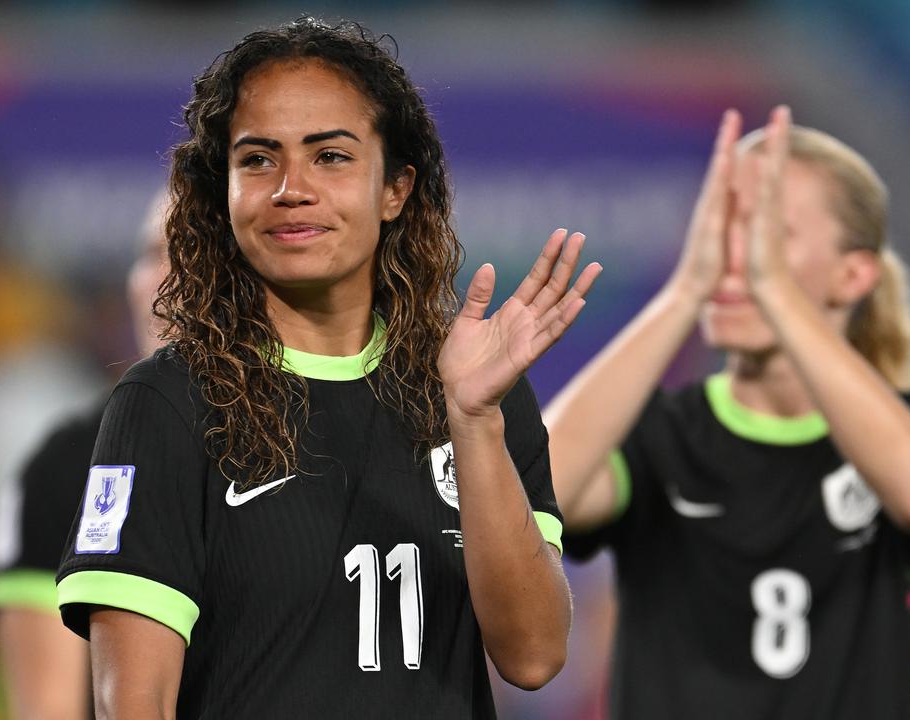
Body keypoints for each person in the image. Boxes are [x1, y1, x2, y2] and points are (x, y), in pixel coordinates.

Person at [54, 17, 601, 719]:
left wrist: (472, 420)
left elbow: (534, 655)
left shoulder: (477, 390)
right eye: (258, 159)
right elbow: (134, 705)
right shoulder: (167, 402)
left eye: (331, 156)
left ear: (395, 188)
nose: (291, 188)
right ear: (224, 191)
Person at [545, 107, 910, 719]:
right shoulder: (658, 434)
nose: (736, 256)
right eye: (724, 225)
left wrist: (772, 289)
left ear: (852, 275)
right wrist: (684, 292)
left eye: (766, 235)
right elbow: (534, 492)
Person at [0, 190, 170, 720]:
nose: (168, 280)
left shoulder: (324, 443)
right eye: (152, 254)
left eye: (197, 253)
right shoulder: (62, 471)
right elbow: (49, 709)